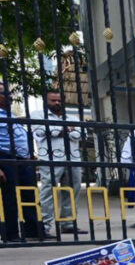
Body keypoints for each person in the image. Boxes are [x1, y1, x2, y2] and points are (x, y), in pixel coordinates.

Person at [33, 89, 84, 236]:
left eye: (59, 100)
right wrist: (64, 131)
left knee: (72, 191)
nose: (56, 103)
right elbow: (42, 131)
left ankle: (68, 223)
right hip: (50, 159)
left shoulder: (72, 117)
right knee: (48, 191)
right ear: (46, 101)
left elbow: (80, 134)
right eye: (53, 100)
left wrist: (58, 131)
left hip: (72, 158)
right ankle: (44, 226)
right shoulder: (38, 115)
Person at [0, 83, 41, 242]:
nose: (9, 97)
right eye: (4, 93)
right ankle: (10, 234)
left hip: (21, 159)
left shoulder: (8, 114)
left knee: (29, 193)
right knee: (9, 198)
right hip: (4, 157)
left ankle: (33, 230)